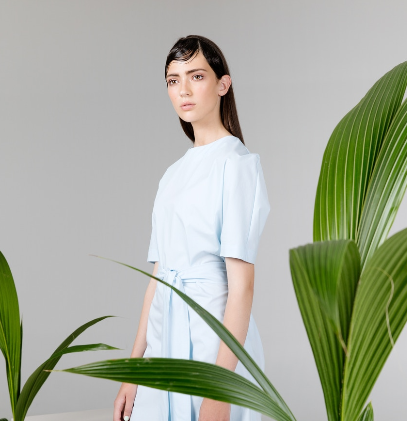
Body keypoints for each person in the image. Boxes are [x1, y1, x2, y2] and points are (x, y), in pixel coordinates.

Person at [112, 35, 271, 421]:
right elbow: (157, 277)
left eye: (196, 76)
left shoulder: (237, 165)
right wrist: (132, 372)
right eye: (173, 80)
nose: (183, 89)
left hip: (213, 342)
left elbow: (242, 287)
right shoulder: (172, 175)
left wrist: (220, 390)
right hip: (164, 337)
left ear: (222, 84)